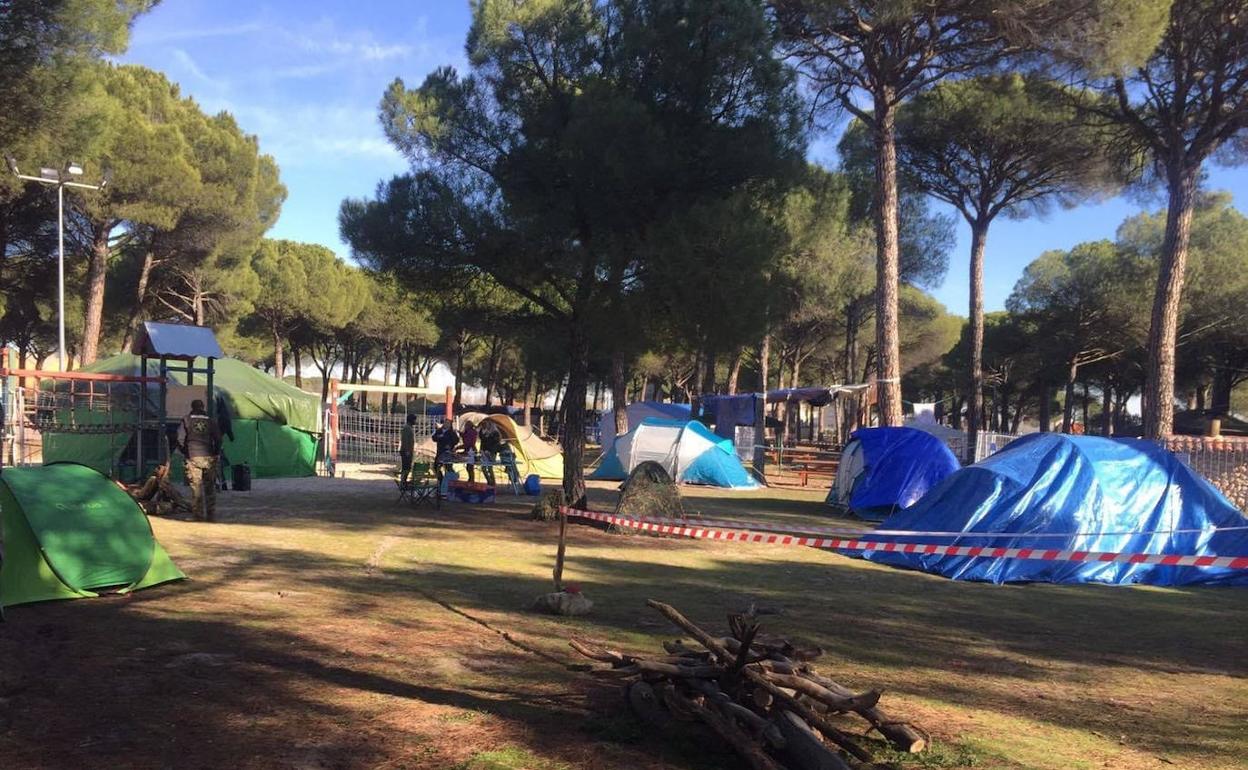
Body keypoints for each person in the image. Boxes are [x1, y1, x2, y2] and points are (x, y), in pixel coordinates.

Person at [178, 399, 222, 522]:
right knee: (210, 486)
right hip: (209, 457)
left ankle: (198, 515)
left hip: (193, 456)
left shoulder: (186, 419)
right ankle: (211, 515)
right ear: (203, 407)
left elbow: (180, 438)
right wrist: (216, 453)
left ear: (192, 407)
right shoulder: (211, 420)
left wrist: (185, 452)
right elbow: (218, 439)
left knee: (196, 488)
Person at [431, 419, 459, 492]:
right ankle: (441, 480)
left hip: (448, 452)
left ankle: (450, 483)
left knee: (448, 468)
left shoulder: (452, 432)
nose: (446, 424)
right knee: (436, 467)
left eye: (448, 423)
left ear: (450, 425)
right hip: (440, 452)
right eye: (445, 423)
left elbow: (456, 440)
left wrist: (450, 445)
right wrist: (439, 437)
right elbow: (434, 438)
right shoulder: (439, 430)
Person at [215, 394, 235, 491]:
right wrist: (231, 436)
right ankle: (222, 484)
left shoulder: (218, 414)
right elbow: (228, 427)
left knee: (217, 463)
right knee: (218, 463)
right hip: (218, 441)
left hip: (214, 441)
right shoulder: (224, 414)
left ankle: (221, 483)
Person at [478, 420, 502, 486]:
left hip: (492, 452)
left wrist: (489, 450)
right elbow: (482, 441)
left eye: (487, 425)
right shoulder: (483, 432)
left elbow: (496, 443)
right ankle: (489, 481)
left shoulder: (495, 433)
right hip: (484, 452)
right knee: (483, 468)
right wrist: (481, 450)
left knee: (490, 467)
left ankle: (493, 483)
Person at [399, 413, 418, 486]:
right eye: (414, 420)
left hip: (408, 450)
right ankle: (403, 482)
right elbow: (405, 440)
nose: (415, 422)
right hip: (406, 451)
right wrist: (407, 450)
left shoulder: (408, 427)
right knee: (406, 467)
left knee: (407, 467)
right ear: (411, 420)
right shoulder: (407, 428)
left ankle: (404, 481)